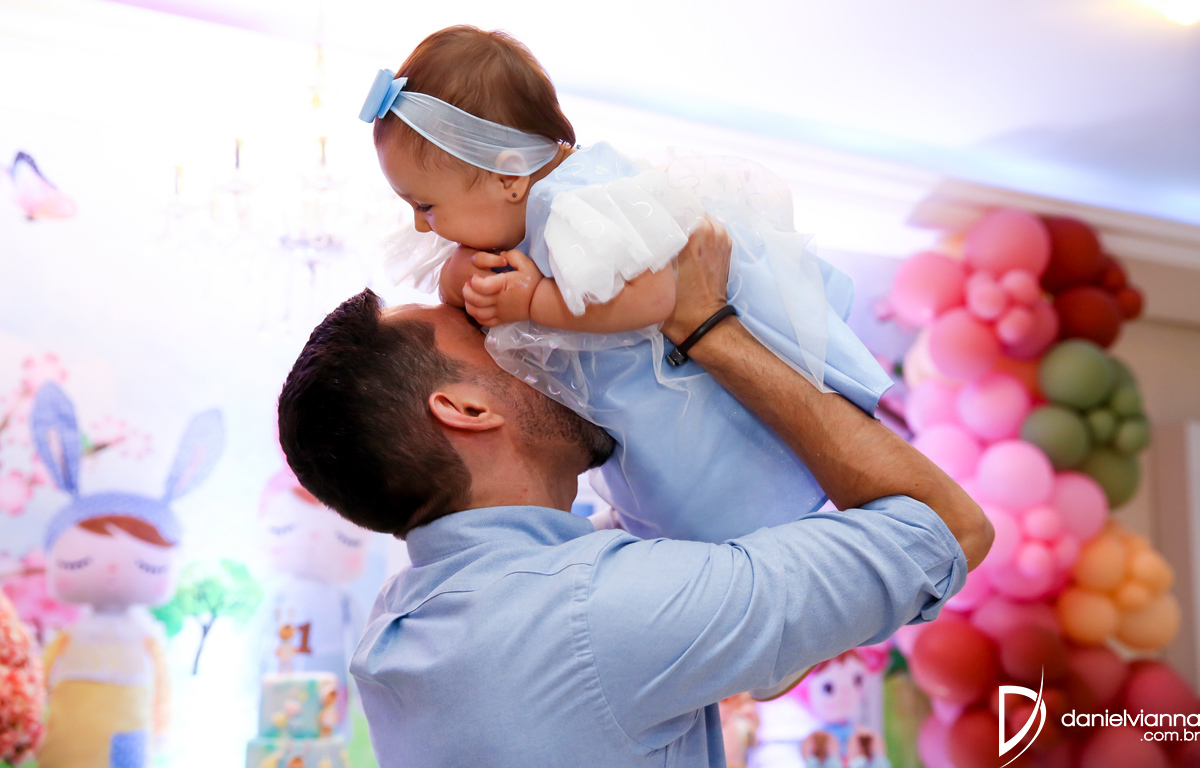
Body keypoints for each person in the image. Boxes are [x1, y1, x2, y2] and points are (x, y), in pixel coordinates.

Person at [276, 222, 993, 768]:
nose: (532, 336)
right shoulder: (593, 610)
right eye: (484, 334)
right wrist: (704, 324)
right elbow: (946, 527)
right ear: (467, 409)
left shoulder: (403, 623)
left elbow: (759, 662)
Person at [358, 25, 893, 547]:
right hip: (623, 387)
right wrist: (461, 275)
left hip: (675, 380)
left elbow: (655, 294)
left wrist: (536, 300)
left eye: (425, 205)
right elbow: (461, 279)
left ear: (509, 177)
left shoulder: (582, 199)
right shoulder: (508, 214)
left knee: (697, 481)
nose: (421, 225)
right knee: (650, 478)